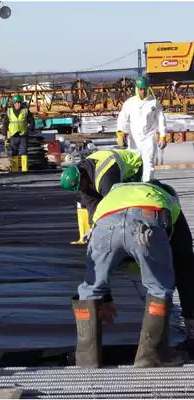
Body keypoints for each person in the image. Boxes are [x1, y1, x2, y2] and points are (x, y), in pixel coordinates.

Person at [72, 181, 188, 369]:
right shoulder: (169, 202)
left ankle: (87, 359)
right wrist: (190, 315)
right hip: (146, 222)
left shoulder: (112, 197)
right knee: (159, 287)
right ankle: (151, 355)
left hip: (104, 225)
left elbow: (104, 259)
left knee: (91, 288)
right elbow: (185, 262)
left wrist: (105, 297)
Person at [59, 149, 143, 243]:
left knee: (128, 203)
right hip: (110, 169)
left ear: (82, 176)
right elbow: (92, 205)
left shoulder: (104, 180)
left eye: (80, 186)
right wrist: (92, 228)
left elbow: (113, 206)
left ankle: (134, 233)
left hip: (133, 167)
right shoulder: (83, 176)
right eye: (78, 189)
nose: (81, 190)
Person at [116, 76, 167, 182]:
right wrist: (120, 133)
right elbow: (122, 118)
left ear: (148, 88)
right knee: (133, 162)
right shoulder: (129, 103)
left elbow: (161, 119)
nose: (142, 91)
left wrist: (162, 135)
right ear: (136, 89)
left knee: (149, 162)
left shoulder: (154, 103)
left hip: (149, 136)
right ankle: (134, 183)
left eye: (144, 89)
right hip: (134, 138)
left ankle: (147, 184)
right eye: (140, 89)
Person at [2, 94, 35, 172]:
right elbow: (5, 122)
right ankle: (15, 168)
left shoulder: (25, 111)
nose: (18, 104)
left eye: (19, 102)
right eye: (17, 102)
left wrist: (32, 128)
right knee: (14, 151)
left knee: (24, 151)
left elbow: (31, 120)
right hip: (13, 135)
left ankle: (24, 169)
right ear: (13, 103)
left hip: (23, 135)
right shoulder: (9, 111)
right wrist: (4, 133)